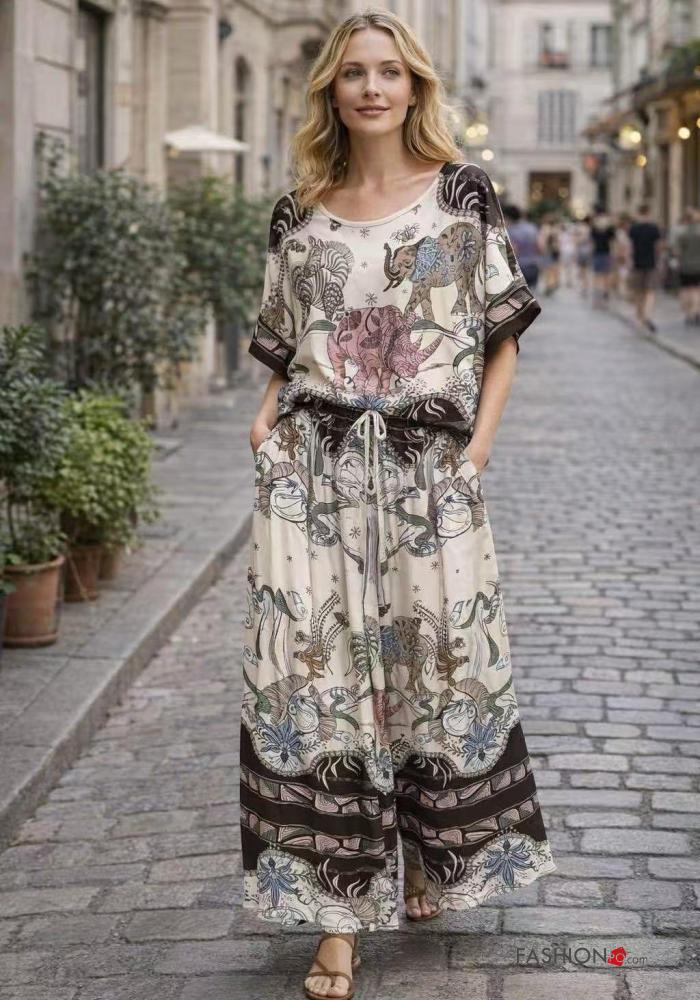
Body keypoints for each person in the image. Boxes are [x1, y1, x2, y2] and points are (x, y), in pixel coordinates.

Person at [240, 10, 557, 1000]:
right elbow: (283, 337)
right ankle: (337, 917)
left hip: (428, 474)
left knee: (430, 668)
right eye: (353, 74)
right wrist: (264, 420)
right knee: (313, 678)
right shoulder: (298, 209)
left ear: (414, 86)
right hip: (312, 472)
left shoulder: (462, 195)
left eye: (388, 72)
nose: (372, 88)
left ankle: (422, 855)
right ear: (331, 90)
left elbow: (500, 334)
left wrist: (477, 453)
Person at [628, 203, 662, 332]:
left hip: (637, 263)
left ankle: (639, 317)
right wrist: (658, 261)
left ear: (639, 213)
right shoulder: (654, 228)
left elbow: (630, 246)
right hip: (651, 263)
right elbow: (658, 246)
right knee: (650, 291)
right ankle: (647, 315)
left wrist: (629, 260)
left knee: (638, 292)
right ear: (649, 213)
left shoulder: (634, 228)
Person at [670, 206, 700, 325]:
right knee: (697, 289)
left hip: (685, 265)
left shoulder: (681, 233)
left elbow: (676, 252)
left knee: (685, 289)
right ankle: (696, 311)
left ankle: (688, 314)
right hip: (698, 265)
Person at [503, 202, 540, 289]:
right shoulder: (532, 228)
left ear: (507, 217)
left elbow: (514, 251)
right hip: (533, 265)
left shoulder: (510, 231)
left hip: (519, 268)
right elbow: (539, 247)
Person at [589, 206, 617, 307]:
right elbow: (612, 242)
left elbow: (592, 242)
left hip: (597, 253)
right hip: (606, 253)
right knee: (606, 277)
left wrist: (591, 254)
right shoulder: (610, 227)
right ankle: (605, 298)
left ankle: (597, 300)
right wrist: (613, 255)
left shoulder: (594, 226)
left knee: (597, 277)